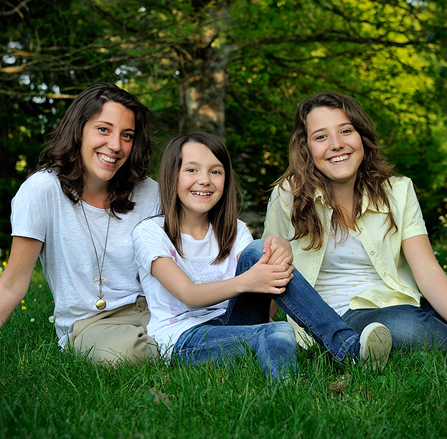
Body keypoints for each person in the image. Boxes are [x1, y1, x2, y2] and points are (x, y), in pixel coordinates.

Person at [263, 91, 447, 358]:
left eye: (346, 130)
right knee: (404, 326)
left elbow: (427, 270)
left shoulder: (398, 190)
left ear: (362, 136)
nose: (336, 143)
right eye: (321, 136)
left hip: (412, 306)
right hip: (347, 319)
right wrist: (260, 330)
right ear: (306, 148)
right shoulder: (289, 195)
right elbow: (272, 271)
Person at [132, 132, 392, 382]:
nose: (205, 180)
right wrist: (247, 282)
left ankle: (349, 349)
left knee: (260, 250)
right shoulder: (150, 232)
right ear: (170, 176)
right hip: (185, 339)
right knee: (277, 331)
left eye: (215, 171)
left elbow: (264, 293)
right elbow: (188, 294)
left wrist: (281, 249)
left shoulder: (235, 230)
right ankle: (293, 390)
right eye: (191, 170)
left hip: (236, 322)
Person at [0, 83, 160, 364]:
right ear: (78, 130)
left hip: (157, 311)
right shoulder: (42, 190)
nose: (116, 146)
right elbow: (12, 284)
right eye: (103, 129)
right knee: (125, 354)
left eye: (126, 136)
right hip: (91, 326)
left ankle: (188, 342)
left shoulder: (150, 192)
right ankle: (187, 348)